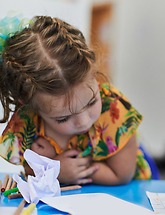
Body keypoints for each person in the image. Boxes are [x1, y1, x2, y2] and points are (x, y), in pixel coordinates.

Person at [0, 15, 152, 185]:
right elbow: (28, 169)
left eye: (92, 102)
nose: (84, 121)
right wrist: (54, 167)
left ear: (94, 74)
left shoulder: (113, 107)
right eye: (62, 118)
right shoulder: (28, 120)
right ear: (29, 105)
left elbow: (121, 175)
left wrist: (54, 168)